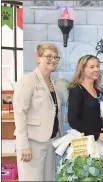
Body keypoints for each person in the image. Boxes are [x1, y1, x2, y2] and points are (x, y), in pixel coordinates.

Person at [13, 43, 63, 181]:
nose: (52, 60)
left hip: (51, 141)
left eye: (55, 57)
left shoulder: (54, 81)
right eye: (48, 56)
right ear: (38, 58)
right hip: (32, 143)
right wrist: (23, 146)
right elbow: (20, 113)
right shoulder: (28, 80)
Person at [68, 55, 103, 142]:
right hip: (84, 142)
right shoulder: (77, 90)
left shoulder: (98, 91)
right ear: (82, 69)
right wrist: (96, 135)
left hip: (100, 140)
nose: (96, 69)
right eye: (92, 67)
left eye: (97, 66)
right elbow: (73, 120)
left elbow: (98, 116)